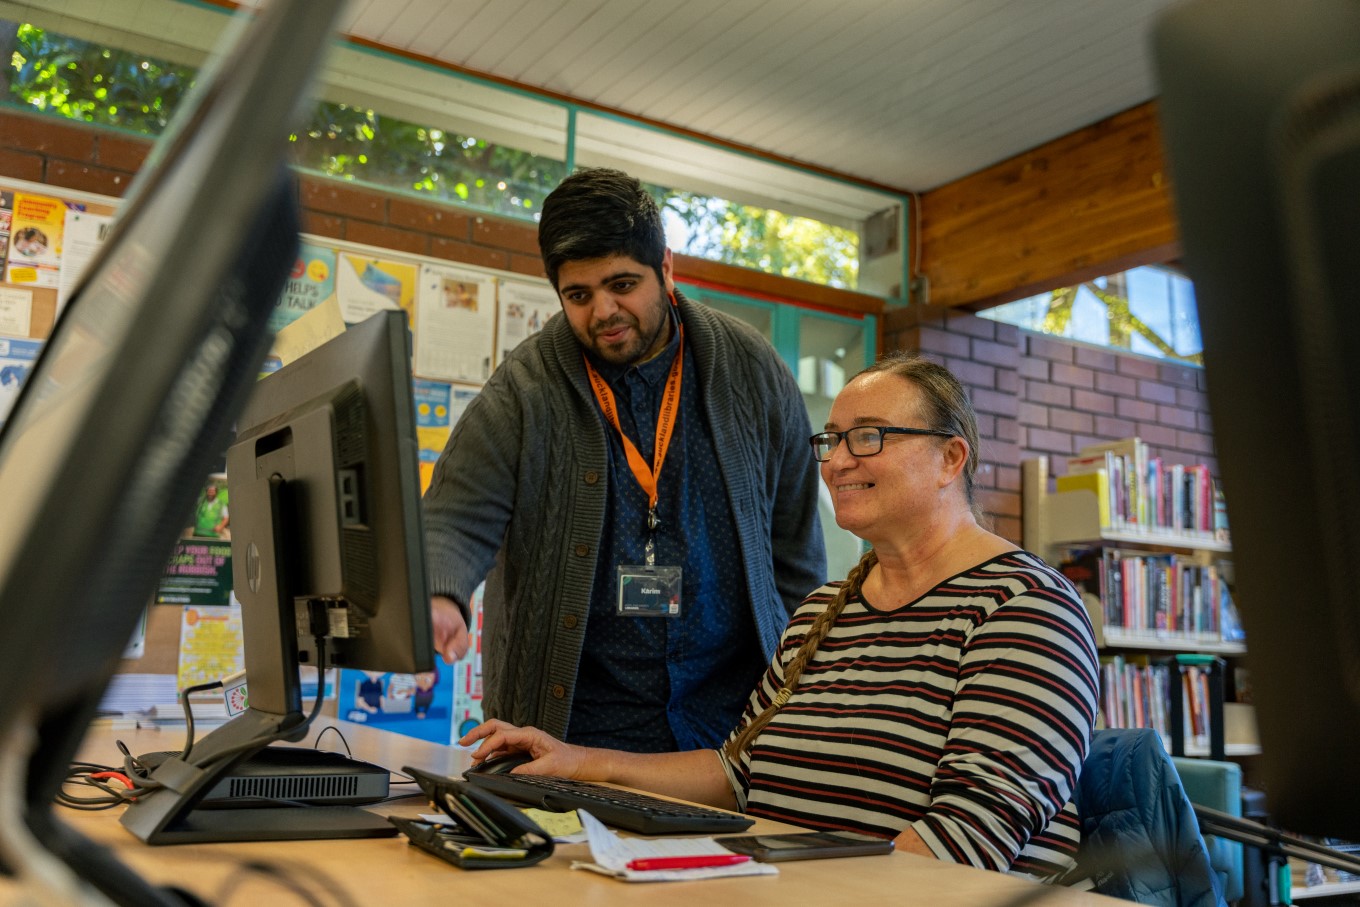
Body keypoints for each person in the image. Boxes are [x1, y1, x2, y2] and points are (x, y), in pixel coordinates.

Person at [460, 354, 1100, 880]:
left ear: (950, 459)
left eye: (868, 436)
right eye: (832, 440)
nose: (837, 461)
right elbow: (741, 773)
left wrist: (795, 893)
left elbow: (974, 831)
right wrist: (579, 762)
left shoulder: (1023, 607)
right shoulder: (825, 610)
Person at [421, 168, 825, 754]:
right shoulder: (524, 389)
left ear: (665, 267)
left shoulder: (752, 371)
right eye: (578, 296)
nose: (604, 312)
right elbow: (457, 514)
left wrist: (802, 686)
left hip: (734, 735)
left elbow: (795, 554)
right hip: (570, 733)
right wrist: (442, 593)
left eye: (622, 285)